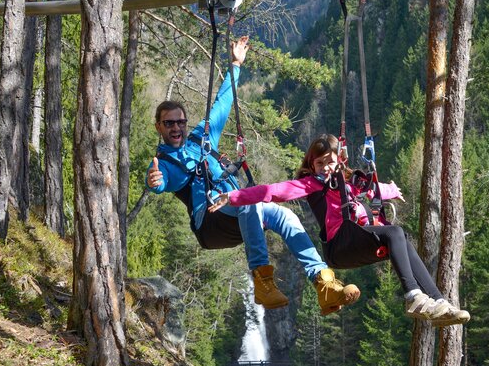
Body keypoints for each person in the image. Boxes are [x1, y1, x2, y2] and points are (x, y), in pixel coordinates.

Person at [146, 37, 359, 316]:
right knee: (248, 202)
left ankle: (324, 284)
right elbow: (164, 183)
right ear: (158, 127)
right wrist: (156, 184)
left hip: (236, 212)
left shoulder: (201, 138)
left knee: (286, 217)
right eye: (169, 123)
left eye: (180, 121)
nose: (176, 127)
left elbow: (222, 105)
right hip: (211, 221)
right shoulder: (166, 163)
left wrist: (235, 64)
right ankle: (262, 281)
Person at [209, 133, 471, 326]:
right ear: (312, 166)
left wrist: (391, 190)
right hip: (339, 246)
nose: (326, 168)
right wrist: (233, 197)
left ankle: (438, 302)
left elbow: (372, 190)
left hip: (356, 241)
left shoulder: (347, 183)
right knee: (394, 234)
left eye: (330, 162)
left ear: (339, 161)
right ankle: (413, 294)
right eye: (319, 163)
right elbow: (271, 191)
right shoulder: (311, 185)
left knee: (400, 241)